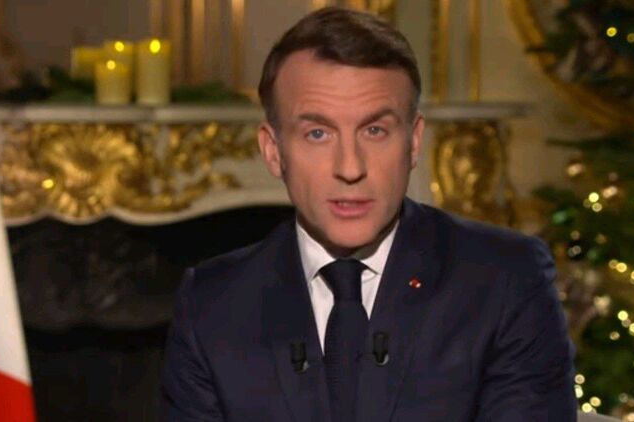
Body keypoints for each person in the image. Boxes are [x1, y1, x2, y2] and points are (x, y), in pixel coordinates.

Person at [161, 6, 576, 421]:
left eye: (375, 131)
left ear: (413, 142)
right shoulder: (211, 305)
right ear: (273, 151)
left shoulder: (505, 280)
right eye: (317, 133)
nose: (350, 167)